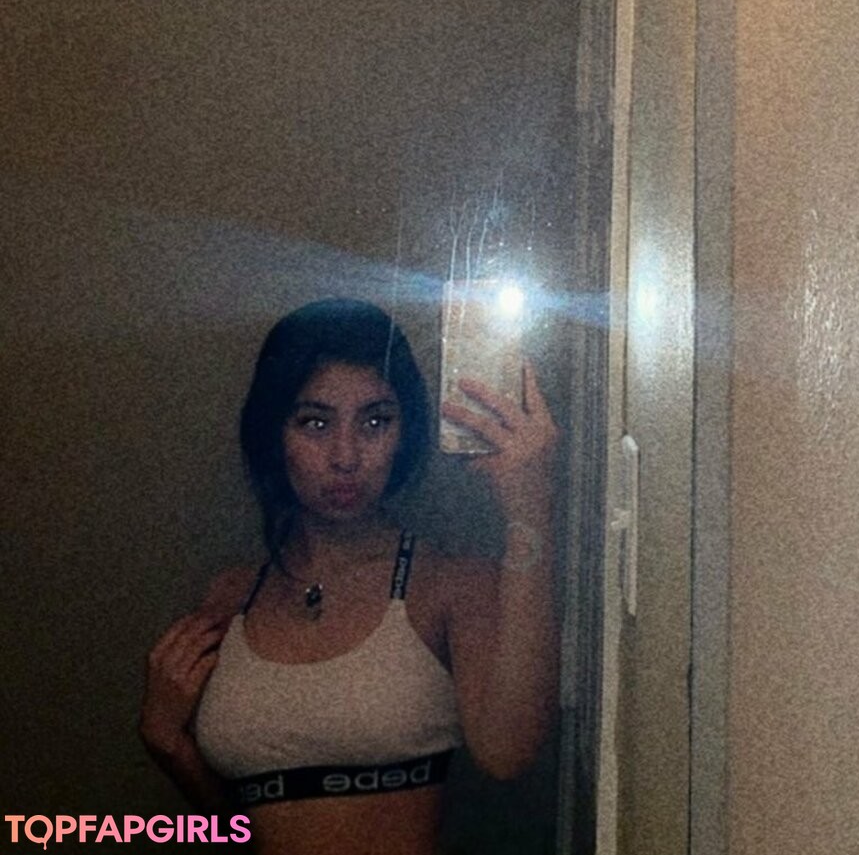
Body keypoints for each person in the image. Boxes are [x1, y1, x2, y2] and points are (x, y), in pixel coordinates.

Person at [138, 298, 559, 855]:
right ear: (274, 432)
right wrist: (171, 748)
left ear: (405, 431)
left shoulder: (448, 584)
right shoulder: (232, 596)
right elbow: (241, 832)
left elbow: (508, 753)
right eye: (314, 422)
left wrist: (530, 509)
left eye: (375, 421)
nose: (345, 456)